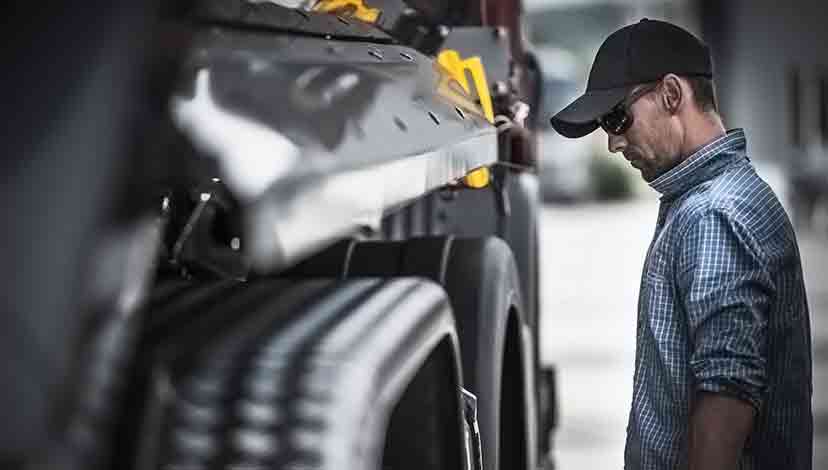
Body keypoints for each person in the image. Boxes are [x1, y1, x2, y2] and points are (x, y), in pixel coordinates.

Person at [549, 19, 813, 470]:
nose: (612, 143)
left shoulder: (713, 214)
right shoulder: (721, 197)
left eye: (616, 118)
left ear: (672, 94)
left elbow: (726, 396)